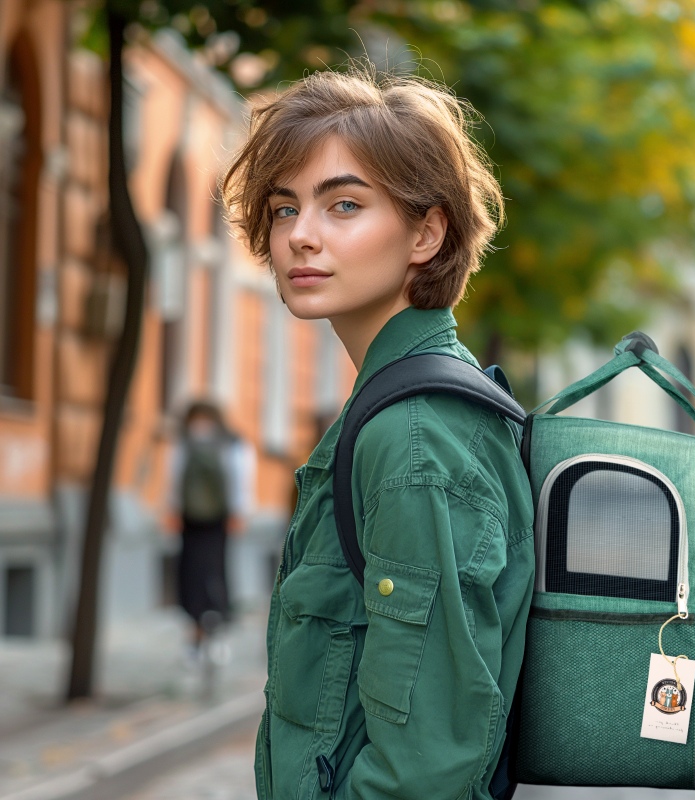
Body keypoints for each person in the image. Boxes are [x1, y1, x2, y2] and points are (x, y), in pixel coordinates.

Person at [222, 63, 535, 799]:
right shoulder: (391, 408)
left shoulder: (414, 439)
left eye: (344, 206)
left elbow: (425, 766)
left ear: (426, 231)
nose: (301, 236)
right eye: (283, 208)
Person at [165, 400, 254, 659]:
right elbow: (241, 475)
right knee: (212, 571)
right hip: (213, 518)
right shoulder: (232, 443)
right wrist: (240, 510)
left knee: (197, 573)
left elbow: (173, 477)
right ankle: (210, 633)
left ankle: (205, 633)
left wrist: (172, 508)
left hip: (199, 518)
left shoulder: (184, 443)